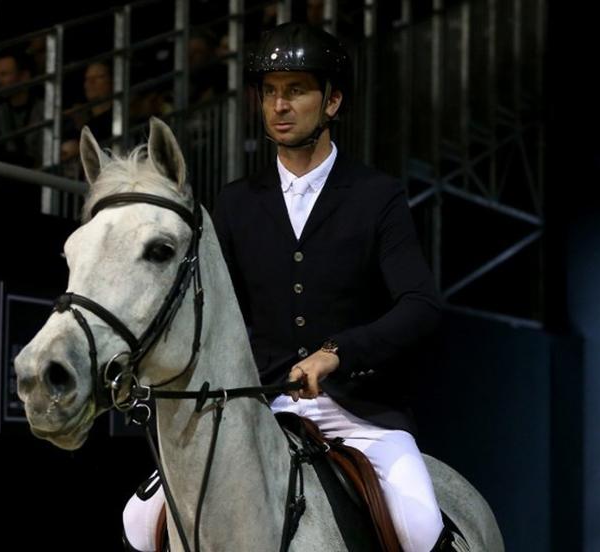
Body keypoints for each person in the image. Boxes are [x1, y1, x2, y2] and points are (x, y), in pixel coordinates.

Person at [124, 23, 452, 552]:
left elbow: (420, 305)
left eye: (296, 89)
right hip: (257, 406)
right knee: (138, 523)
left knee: (419, 528)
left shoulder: (377, 196)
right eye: (271, 91)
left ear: (333, 101)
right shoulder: (233, 203)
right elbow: (212, 313)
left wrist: (335, 354)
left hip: (359, 412)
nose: (279, 104)